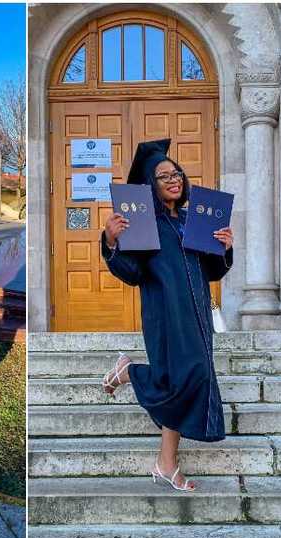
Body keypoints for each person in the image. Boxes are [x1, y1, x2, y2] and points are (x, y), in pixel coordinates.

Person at [99, 139, 234, 492]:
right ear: (150, 185)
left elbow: (213, 271)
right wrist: (111, 243)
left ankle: (165, 464)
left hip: (197, 315)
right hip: (165, 315)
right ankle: (128, 371)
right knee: (179, 380)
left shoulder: (194, 220)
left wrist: (224, 247)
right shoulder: (143, 225)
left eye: (176, 173)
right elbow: (131, 272)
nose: (173, 179)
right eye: (163, 176)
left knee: (191, 380)